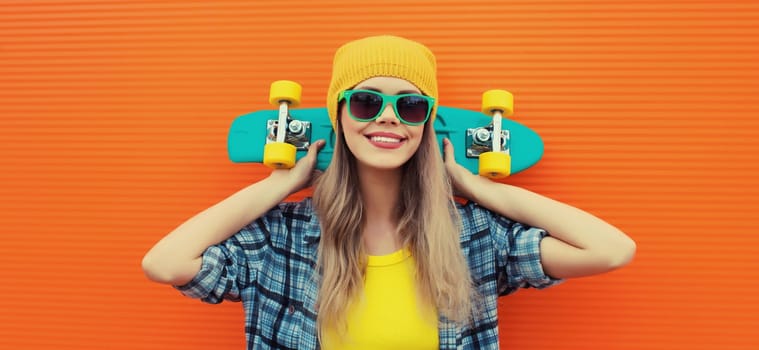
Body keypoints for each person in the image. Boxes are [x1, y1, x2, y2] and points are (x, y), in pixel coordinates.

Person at [142, 35, 636, 349]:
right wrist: (281, 185)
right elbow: (165, 264)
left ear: (426, 124)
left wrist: (476, 188)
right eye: (365, 101)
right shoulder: (281, 240)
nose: (387, 117)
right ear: (339, 115)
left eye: (410, 106)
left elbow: (612, 250)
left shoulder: (474, 237)